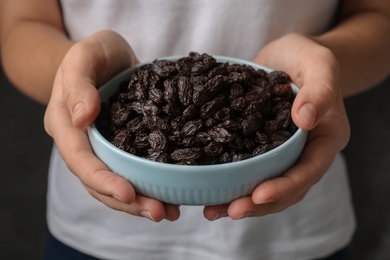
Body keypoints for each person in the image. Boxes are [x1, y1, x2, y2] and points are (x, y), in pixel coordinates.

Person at [1, 0, 389, 259]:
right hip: (96, 229)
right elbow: (21, 24)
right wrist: (71, 76)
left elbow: (379, 16)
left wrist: (323, 68)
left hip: (295, 233)